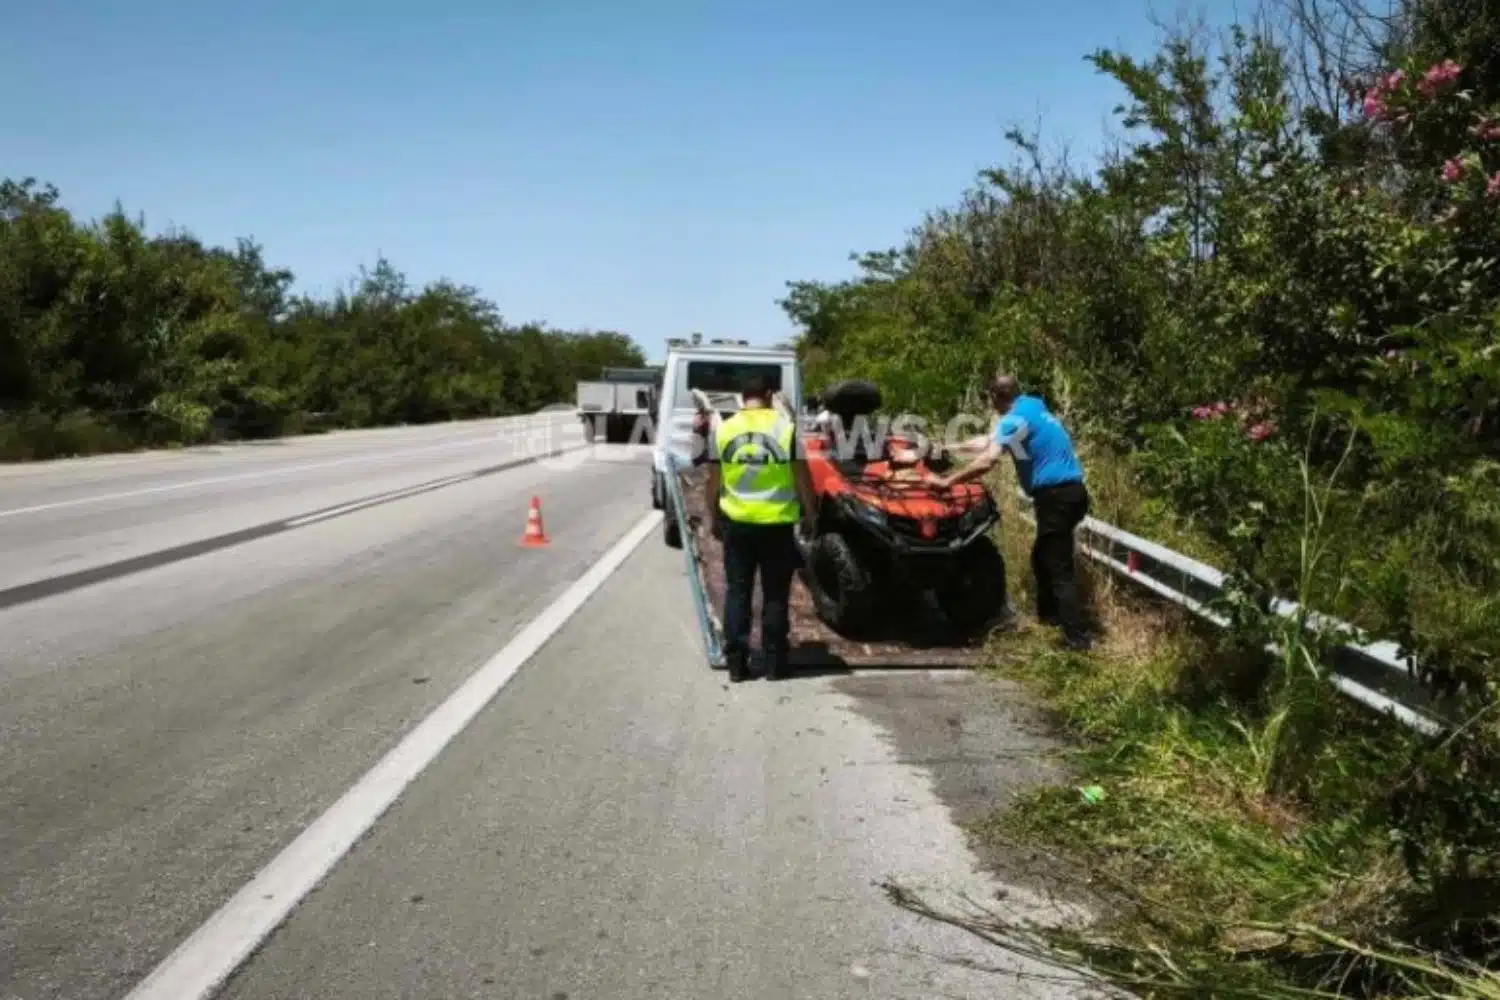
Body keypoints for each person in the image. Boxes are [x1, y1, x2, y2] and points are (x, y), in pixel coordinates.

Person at [928, 374, 1094, 651]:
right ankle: (1049, 620)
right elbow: (987, 441)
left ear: (997, 397)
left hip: (1056, 497)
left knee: (1057, 566)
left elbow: (988, 460)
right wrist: (947, 447)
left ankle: (1077, 639)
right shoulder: (1032, 408)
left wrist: (947, 482)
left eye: (990, 398)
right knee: (1042, 557)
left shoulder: (1014, 420)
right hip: (1072, 493)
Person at [703, 377, 819, 682]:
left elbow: (713, 480)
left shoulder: (723, 430)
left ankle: (737, 663)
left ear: (743, 397)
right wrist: (811, 513)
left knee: (738, 591)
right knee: (775, 594)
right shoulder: (786, 429)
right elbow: (802, 476)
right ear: (769, 395)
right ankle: (775, 663)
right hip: (777, 526)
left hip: (737, 524)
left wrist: (712, 517)